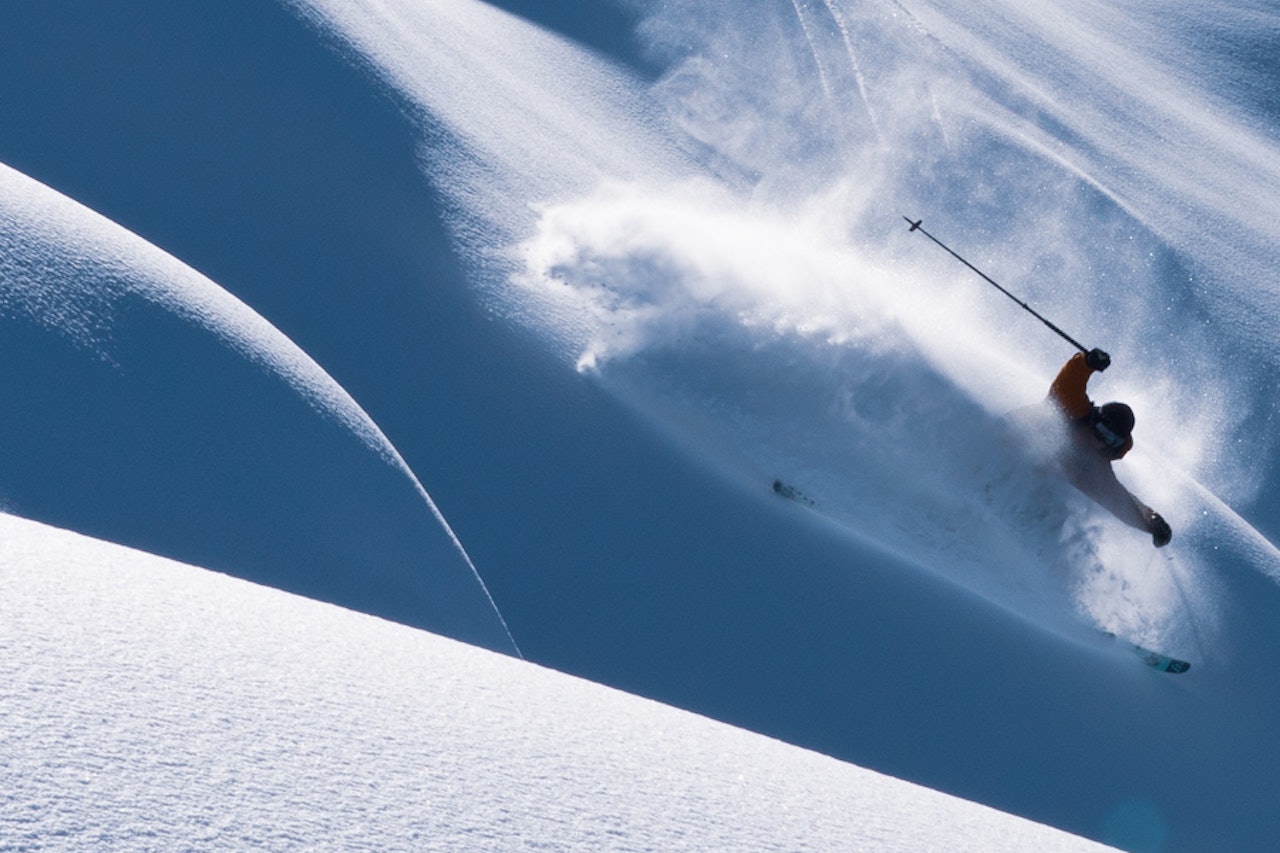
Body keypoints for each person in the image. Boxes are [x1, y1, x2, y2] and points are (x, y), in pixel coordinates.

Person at [1047, 348, 1172, 547]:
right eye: (1101, 431)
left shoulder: (1094, 469)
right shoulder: (1071, 412)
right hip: (1007, 441)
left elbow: (1122, 502)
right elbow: (1070, 381)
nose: (1099, 440)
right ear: (1094, 420)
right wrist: (1087, 362)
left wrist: (1152, 522)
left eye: (1109, 439)